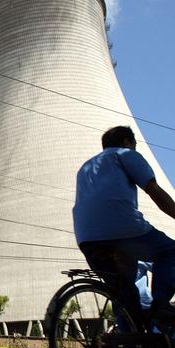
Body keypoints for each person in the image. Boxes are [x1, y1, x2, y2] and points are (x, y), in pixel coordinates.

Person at [73, 126, 175, 331]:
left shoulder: (85, 167)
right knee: (170, 251)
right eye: (135, 145)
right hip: (123, 231)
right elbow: (155, 192)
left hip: (87, 238)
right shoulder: (126, 155)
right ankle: (161, 305)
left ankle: (131, 344)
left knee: (124, 293)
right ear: (128, 142)